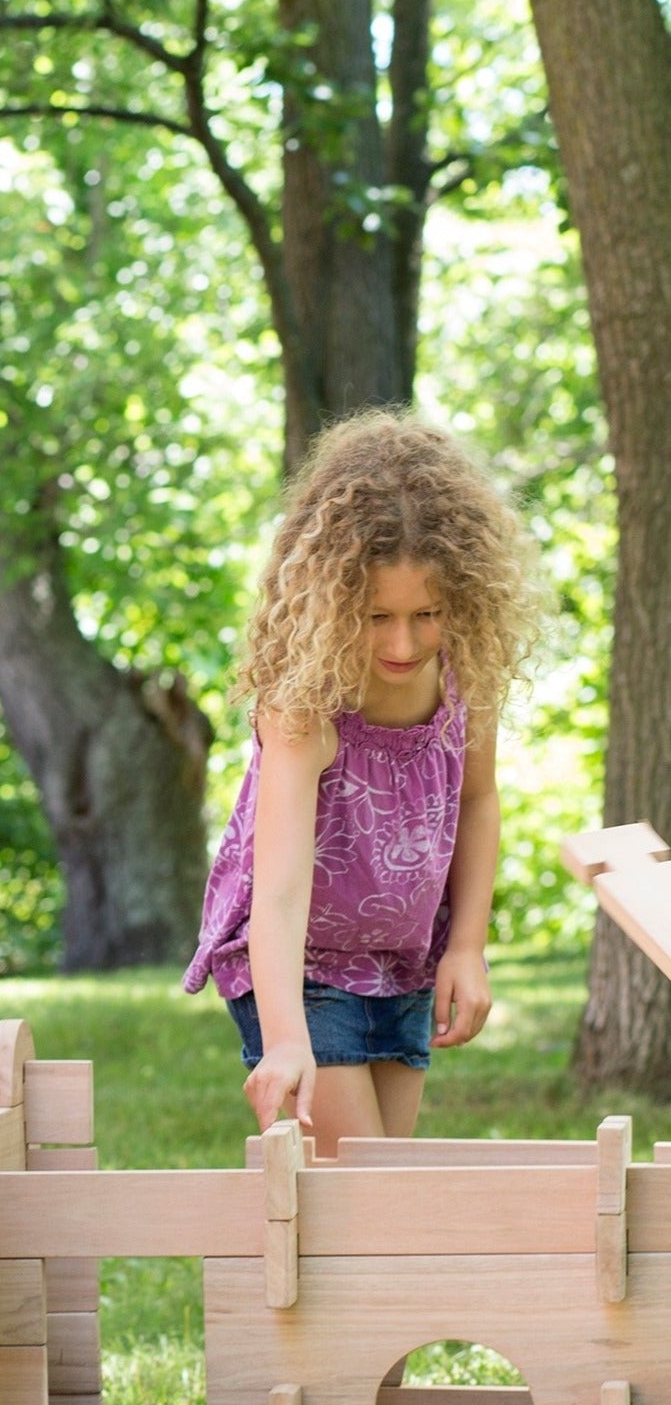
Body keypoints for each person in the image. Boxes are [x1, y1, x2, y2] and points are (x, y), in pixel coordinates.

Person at [184, 411, 542, 1153]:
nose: (402, 642)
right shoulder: (304, 703)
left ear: (462, 600)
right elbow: (276, 894)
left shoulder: (464, 679)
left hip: (403, 964)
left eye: (426, 614)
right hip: (302, 970)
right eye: (376, 616)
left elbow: (477, 801)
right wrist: (286, 1039)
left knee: (373, 1202)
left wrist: (466, 946)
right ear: (332, 599)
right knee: (365, 1199)